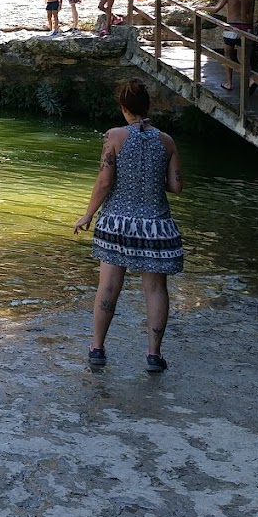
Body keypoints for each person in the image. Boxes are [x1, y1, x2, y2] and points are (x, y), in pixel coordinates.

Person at [74, 79, 184, 373]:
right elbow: (176, 186)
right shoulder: (167, 141)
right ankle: (153, 355)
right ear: (148, 107)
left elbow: (105, 181)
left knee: (109, 286)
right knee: (156, 289)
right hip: (156, 225)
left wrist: (87, 215)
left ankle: (97, 348)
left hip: (117, 224)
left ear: (124, 108)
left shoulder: (114, 136)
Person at [207, 0, 255, 91]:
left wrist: (200, 8)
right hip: (246, 27)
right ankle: (251, 79)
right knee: (243, 57)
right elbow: (250, 14)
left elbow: (216, 9)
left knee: (228, 54)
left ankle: (229, 83)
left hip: (232, 27)